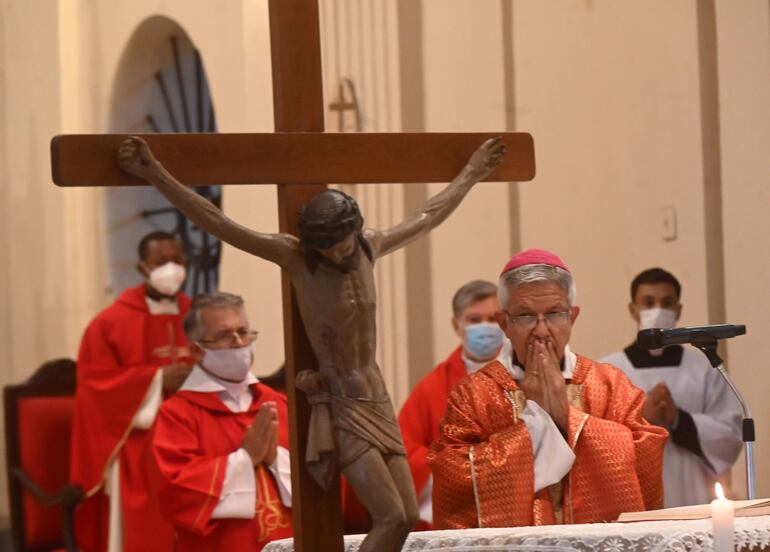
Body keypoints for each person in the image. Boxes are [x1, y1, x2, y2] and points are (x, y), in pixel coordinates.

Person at [117, 135, 505, 552]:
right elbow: (218, 222)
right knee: (390, 516)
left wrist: (474, 172)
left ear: (354, 230)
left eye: (343, 244)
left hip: (377, 398)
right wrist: (152, 172)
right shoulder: (297, 258)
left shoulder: (368, 247)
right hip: (341, 403)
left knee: (407, 516)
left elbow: (428, 215)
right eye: (328, 248)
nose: (339, 254)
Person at [429, 249, 668, 528]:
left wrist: (568, 419)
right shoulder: (472, 395)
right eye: (526, 316)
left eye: (554, 314)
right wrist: (536, 422)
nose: (541, 331)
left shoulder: (610, 384)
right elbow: (452, 478)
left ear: (572, 317)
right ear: (504, 323)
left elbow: (645, 460)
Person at [70, 231, 194, 551]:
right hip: (141, 440)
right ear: (142, 269)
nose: (172, 268)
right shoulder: (109, 323)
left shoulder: (200, 315)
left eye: (178, 260)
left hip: (196, 434)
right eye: (161, 262)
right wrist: (156, 380)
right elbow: (96, 385)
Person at [150, 291, 292, 550]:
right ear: (197, 350)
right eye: (224, 336)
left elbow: (320, 478)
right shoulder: (177, 414)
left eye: (243, 332)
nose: (239, 342)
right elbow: (175, 491)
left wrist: (275, 459)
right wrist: (246, 459)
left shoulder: (278, 404)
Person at [601, 267, 742, 507]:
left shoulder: (705, 367)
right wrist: (640, 419)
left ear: (678, 309)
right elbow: (597, 443)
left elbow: (729, 435)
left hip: (693, 493)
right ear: (633, 309)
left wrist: (678, 419)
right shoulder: (608, 370)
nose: (658, 310)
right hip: (633, 497)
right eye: (648, 302)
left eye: (666, 302)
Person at [398, 280, 510, 529]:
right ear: (456, 324)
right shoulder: (432, 387)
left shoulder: (524, 376)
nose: (486, 326)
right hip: (455, 510)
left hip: (515, 504)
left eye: (493, 318)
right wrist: (454, 471)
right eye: (474, 319)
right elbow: (402, 448)